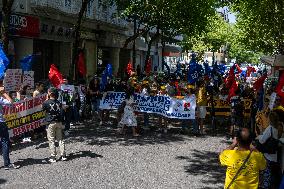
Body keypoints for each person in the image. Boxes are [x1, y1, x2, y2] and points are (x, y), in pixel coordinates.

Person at [42, 87, 66, 163]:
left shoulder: (46, 102)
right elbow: (62, 110)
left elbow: (42, 109)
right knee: (60, 139)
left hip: (50, 123)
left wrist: (46, 99)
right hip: (59, 122)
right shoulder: (59, 102)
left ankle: (53, 157)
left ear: (50, 93)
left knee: (51, 140)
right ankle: (63, 155)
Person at [258, 112, 281, 189]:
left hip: (268, 155)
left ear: (269, 119)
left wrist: (260, 133)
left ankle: (265, 187)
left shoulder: (270, 128)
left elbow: (262, 141)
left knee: (266, 174)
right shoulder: (277, 128)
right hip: (275, 155)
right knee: (271, 174)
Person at [0, 82, 20, 170]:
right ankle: (7, 164)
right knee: (5, 142)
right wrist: (4, 93)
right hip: (1, 122)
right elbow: (10, 102)